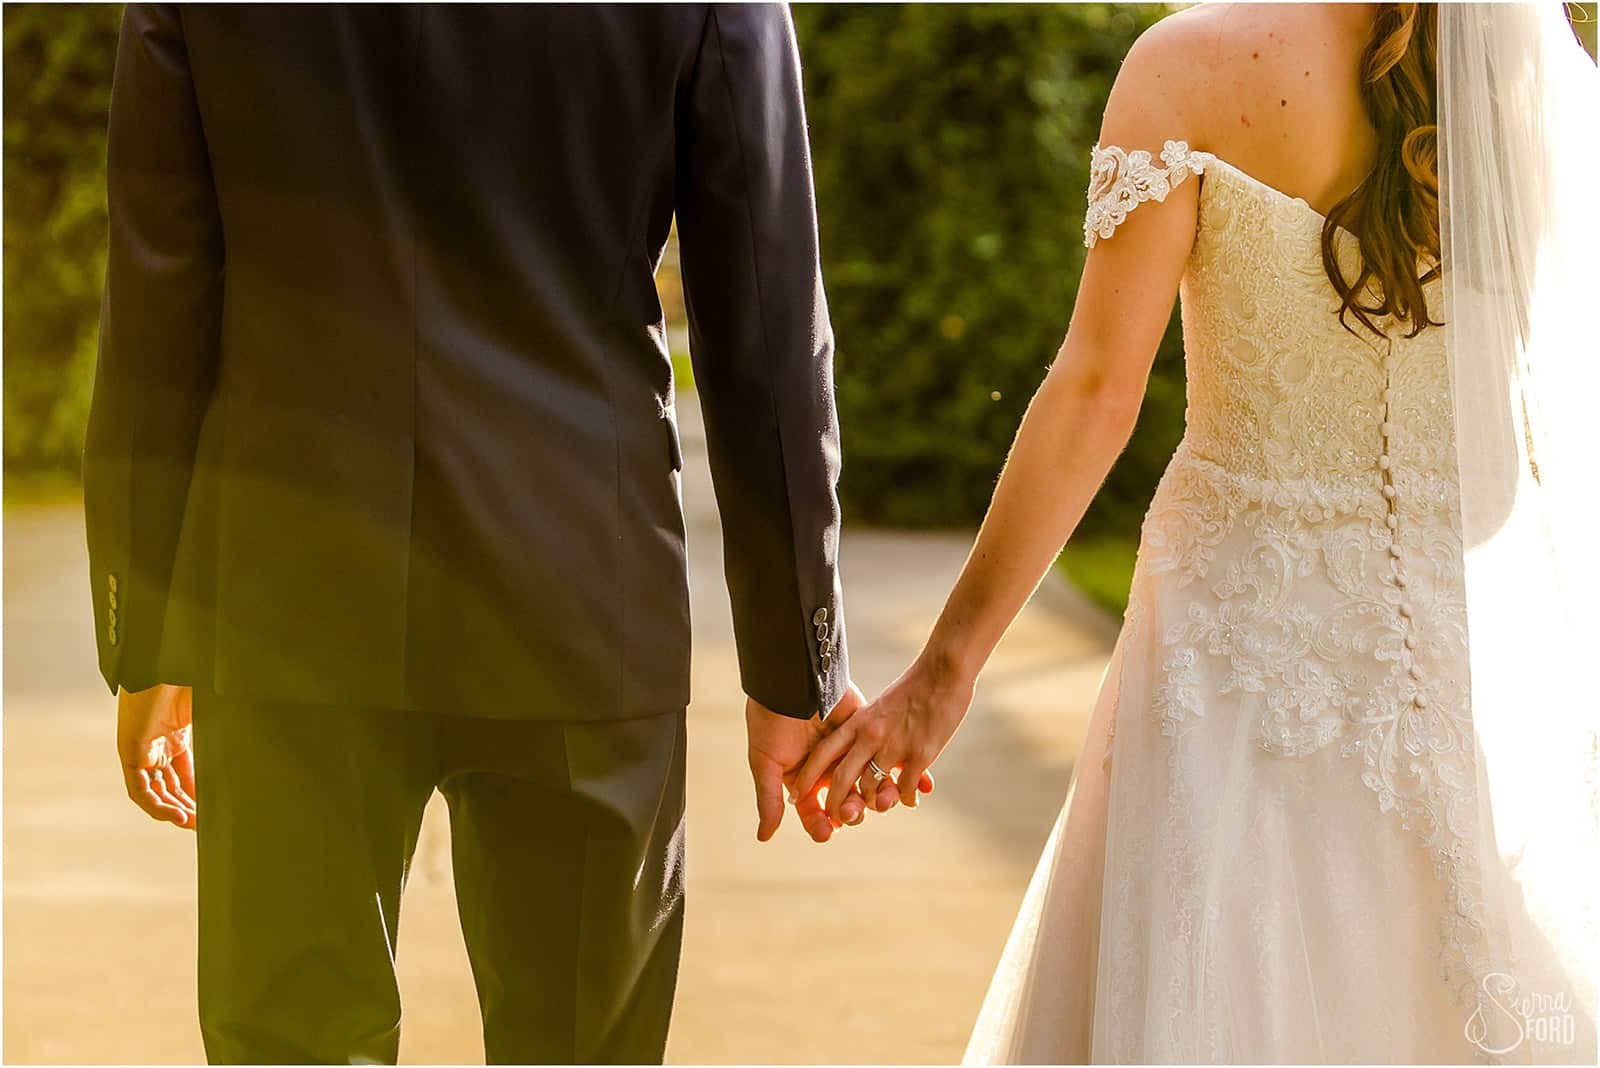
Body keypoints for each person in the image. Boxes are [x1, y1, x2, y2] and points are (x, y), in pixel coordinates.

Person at [84, 5, 918, 1063]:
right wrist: (795, 665)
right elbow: (763, 319)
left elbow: (157, 303)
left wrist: (152, 629)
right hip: (581, 590)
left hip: (291, 591)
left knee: (289, 1044)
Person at [797, 3, 1598, 1062]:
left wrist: (942, 677)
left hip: (1229, 666)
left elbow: (1094, 393)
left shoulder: (1191, 64)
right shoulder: (1528, 84)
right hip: (1459, 679)